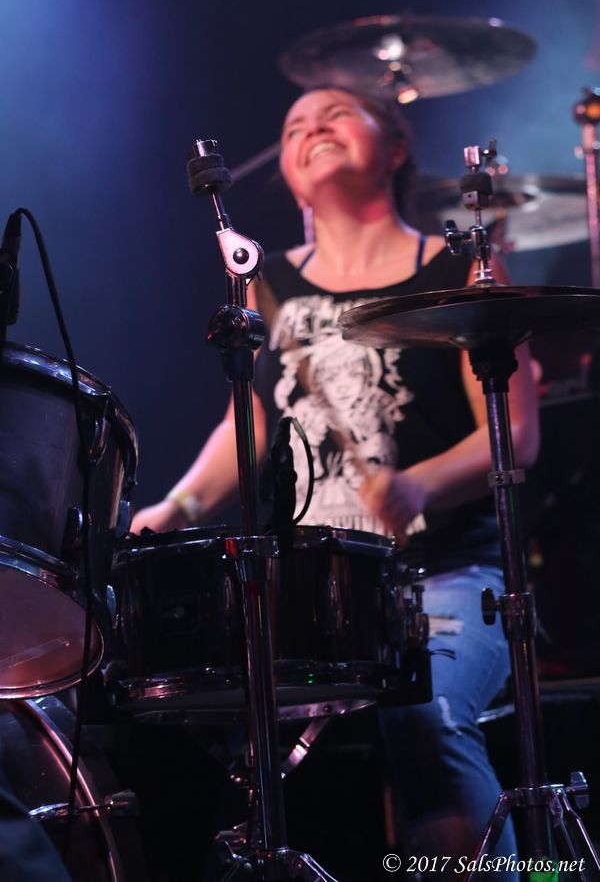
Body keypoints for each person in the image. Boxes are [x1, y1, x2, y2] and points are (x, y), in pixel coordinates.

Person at [131, 86, 539, 874]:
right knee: (207, 727)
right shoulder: (266, 284)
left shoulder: (461, 266)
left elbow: (516, 433)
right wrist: (176, 505)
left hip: (445, 574)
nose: (313, 126)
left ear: (395, 150)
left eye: (338, 114)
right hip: (312, 593)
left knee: (426, 718)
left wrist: (419, 484)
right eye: (295, 126)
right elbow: (247, 427)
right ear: (288, 175)